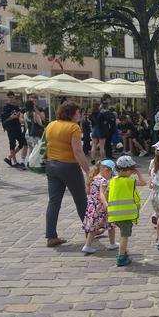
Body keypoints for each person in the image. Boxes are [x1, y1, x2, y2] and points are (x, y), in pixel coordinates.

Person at [45, 102, 90, 247]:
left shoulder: (51, 125)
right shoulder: (73, 127)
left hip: (52, 165)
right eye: (78, 113)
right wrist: (88, 171)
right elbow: (77, 151)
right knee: (81, 200)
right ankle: (89, 231)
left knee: (54, 202)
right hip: (69, 166)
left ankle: (51, 236)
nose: (79, 115)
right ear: (71, 113)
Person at [107, 155, 146, 266]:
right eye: (132, 170)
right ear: (128, 169)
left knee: (123, 234)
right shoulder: (129, 181)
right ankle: (121, 257)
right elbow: (143, 182)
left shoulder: (113, 181)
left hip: (114, 214)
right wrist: (138, 173)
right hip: (125, 215)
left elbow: (107, 194)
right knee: (124, 236)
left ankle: (122, 253)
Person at [81, 160, 118, 255]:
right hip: (102, 207)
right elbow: (103, 195)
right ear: (106, 170)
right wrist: (107, 204)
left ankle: (87, 245)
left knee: (93, 227)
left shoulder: (93, 178)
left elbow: (88, 192)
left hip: (92, 207)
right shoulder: (104, 181)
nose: (111, 176)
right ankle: (112, 243)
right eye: (111, 173)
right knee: (111, 225)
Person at [1, 92, 28, 169]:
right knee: (12, 144)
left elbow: (20, 116)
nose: (11, 99)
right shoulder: (6, 107)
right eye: (10, 97)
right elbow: (4, 120)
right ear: (7, 98)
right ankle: (15, 162)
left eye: (12, 97)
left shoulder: (17, 107)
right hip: (10, 128)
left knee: (22, 143)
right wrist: (11, 118)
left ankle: (9, 157)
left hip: (18, 127)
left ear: (14, 98)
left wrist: (20, 117)